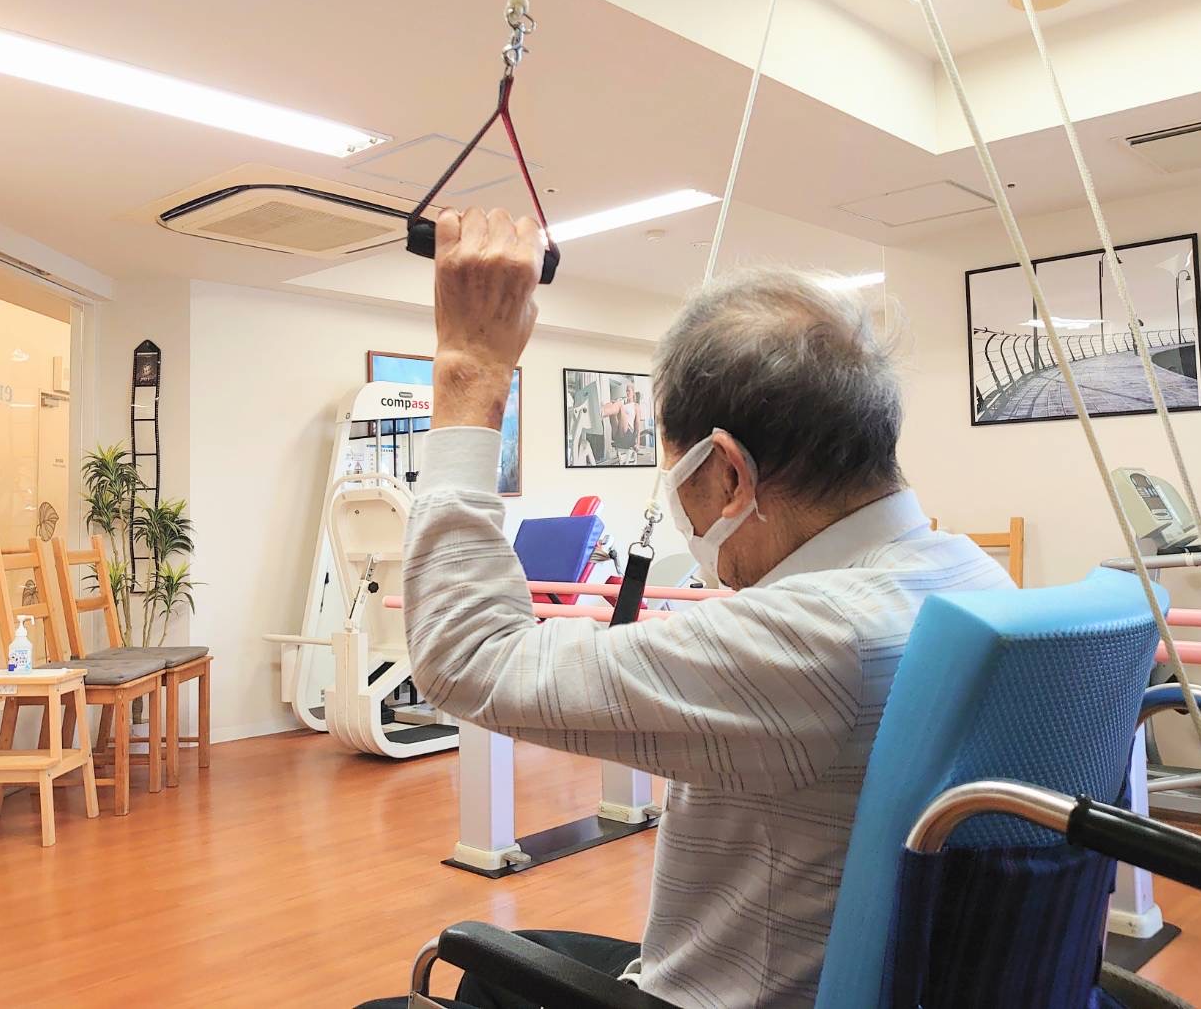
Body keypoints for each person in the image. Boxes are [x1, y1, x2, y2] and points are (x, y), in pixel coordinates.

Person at [390, 208, 1012, 1008]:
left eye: (674, 473)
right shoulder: (972, 578)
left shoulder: (817, 639)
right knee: (504, 968)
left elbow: (467, 658)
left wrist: (469, 368)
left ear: (726, 473)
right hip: (891, 980)